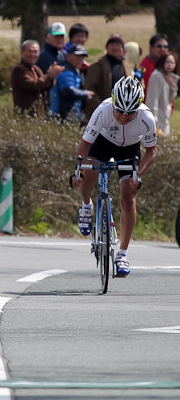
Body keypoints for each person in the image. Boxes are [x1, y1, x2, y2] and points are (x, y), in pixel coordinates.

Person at [71, 76, 157, 277]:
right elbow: (84, 146)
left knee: (129, 196)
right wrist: (78, 172)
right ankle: (86, 206)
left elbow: (151, 153)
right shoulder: (102, 110)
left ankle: (123, 254)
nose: (125, 117)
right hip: (103, 143)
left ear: (139, 107)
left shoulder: (146, 118)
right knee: (88, 173)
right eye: (120, 111)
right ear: (114, 102)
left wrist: (138, 175)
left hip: (129, 149)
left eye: (130, 113)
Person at [84, 34, 134, 117]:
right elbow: (90, 88)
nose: (116, 48)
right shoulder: (98, 65)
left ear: (123, 50)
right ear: (107, 47)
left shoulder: (127, 66)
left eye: (119, 45)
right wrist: (102, 108)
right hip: (102, 113)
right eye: (112, 45)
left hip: (122, 114)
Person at [11, 39, 63, 116]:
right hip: (24, 115)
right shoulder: (19, 69)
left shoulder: (36, 69)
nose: (33, 54)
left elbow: (45, 87)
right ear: (22, 53)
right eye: (30, 51)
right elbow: (33, 85)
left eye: (35, 52)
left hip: (38, 114)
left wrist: (52, 77)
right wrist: (49, 75)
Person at [49, 44, 94, 120]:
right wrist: (85, 94)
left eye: (82, 57)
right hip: (62, 116)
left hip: (69, 114)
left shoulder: (74, 70)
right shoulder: (66, 71)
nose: (80, 60)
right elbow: (68, 90)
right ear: (68, 56)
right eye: (77, 56)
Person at [146, 53, 178, 135]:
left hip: (165, 118)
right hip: (157, 120)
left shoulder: (171, 77)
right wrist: (153, 121)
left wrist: (172, 85)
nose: (170, 65)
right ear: (162, 62)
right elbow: (153, 100)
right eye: (167, 62)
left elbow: (171, 99)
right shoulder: (157, 75)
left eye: (172, 63)